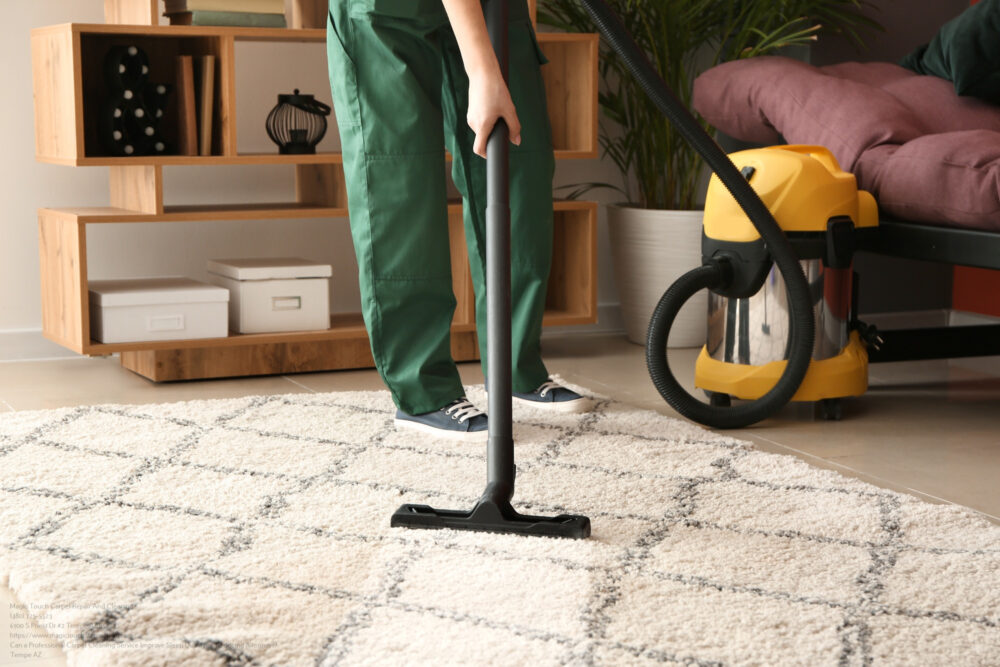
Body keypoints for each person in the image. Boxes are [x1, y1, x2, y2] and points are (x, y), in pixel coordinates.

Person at [326, 0, 591, 442]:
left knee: (518, 166)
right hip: (386, 13)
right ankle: (423, 390)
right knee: (401, 181)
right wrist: (484, 74)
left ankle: (515, 366)